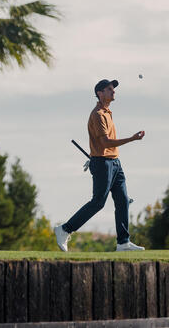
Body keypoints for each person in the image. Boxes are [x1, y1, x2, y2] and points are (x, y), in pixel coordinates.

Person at [54, 79, 146, 251]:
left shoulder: (107, 113)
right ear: (100, 93)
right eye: (109, 89)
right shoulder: (97, 115)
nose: (113, 92)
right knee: (98, 203)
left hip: (115, 163)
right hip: (103, 163)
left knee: (123, 201)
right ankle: (64, 229)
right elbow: (105, 143)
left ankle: (123, 242)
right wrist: (132, 139)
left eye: (113, 89)